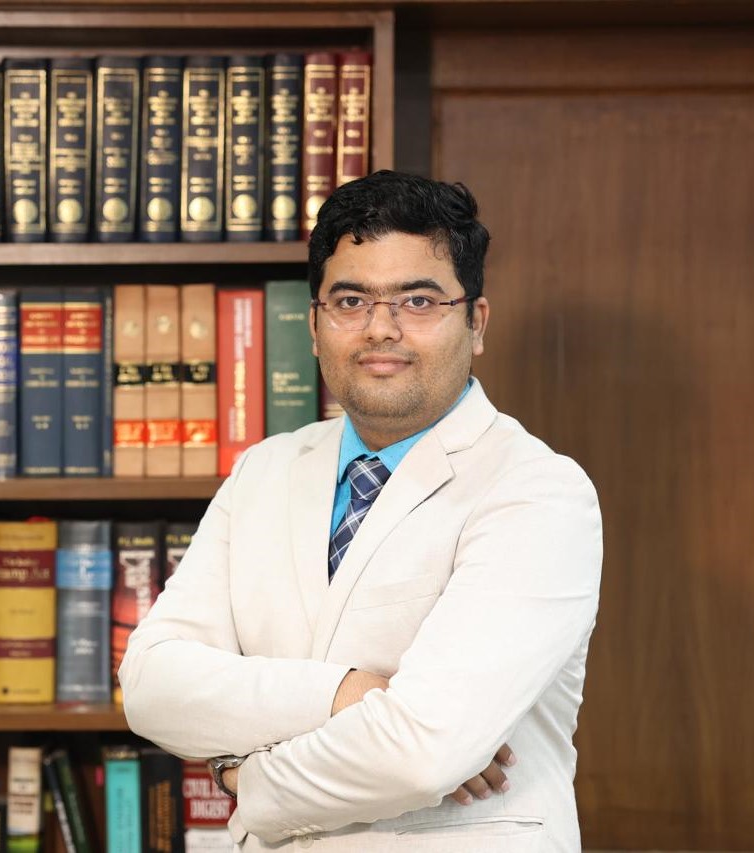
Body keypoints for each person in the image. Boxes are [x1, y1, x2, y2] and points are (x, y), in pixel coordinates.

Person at [119, 170, 602, 852]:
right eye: (350, 300)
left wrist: (241, 778)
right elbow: (149, 685)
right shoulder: (265, 469)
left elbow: (422, 753)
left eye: (418, 300)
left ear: (476, 322)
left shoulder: (537, 490)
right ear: (315, 326)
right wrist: (348, 692)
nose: (381, 328)